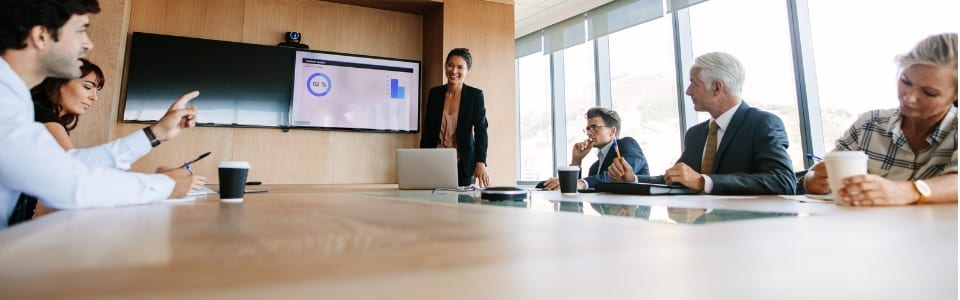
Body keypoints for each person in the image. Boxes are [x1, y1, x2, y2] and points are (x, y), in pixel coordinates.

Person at [0, 0, 201, 229]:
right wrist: (165, 185)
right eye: (80, 31)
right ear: (41, 36)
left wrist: (156, 132)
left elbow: (68, 165)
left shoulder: (15, 99)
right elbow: (71, 185)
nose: (88, 44)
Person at [803, 33, 958, 206]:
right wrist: (814, 181)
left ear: (955, 96)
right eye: (905, 82)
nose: (910, 98)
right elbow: (820, 173)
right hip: (870, 230)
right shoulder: (870, 124)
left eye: (929, 93)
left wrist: (908, 191)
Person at [608, 52, 795, 195]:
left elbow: (783, 181)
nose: (688, 91)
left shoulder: (762, 123)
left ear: (716, 87)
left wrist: (704, 182)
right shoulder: (696, 134)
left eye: (693, 83)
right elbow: (676, 178)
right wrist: (634, 179)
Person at [420, 48, 490, 187]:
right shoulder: (435, 94)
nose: (454, 71)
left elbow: (481, 131)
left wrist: (480, 162)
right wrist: (422, 159)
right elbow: (427, 130)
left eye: (460, 67)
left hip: (462, 163)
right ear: (446, 66)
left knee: (461, 206)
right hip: (435, 160)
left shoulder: (475, 96)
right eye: (450, 65)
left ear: (467, 70)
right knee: (432, 204)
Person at [541, 107, 649, 190]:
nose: (588, 132)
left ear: (612, 131)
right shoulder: (594, 168)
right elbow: (577, 190)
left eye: (594, 127)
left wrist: (583, 183)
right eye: (588, 129)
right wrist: (576, 160)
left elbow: (622, 173)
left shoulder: (627, 143)